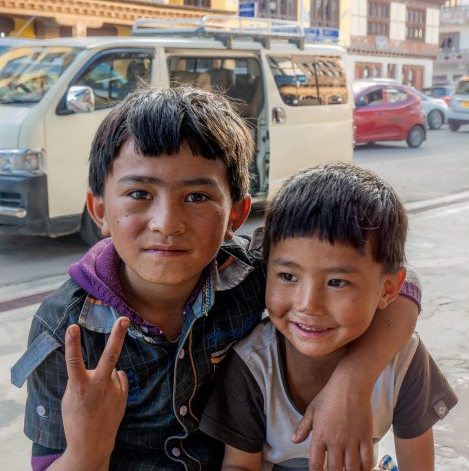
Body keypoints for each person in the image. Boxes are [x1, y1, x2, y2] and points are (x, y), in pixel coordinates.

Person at [11, 86, 420, 471]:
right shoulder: (65, 330)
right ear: (99, 209)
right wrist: (86, 448)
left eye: (197, 197)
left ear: (237, 215)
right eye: (139, 194)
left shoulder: (246, 275)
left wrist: (351, 384)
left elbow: (398, 288)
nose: (167, 224)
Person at [199, 163, 458, 470]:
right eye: (287, 276)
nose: (309, 304)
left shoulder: (404, 363)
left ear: (388, 290)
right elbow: (240, 465)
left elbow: (418, 463)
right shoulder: (253, 366)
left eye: (337, 282)